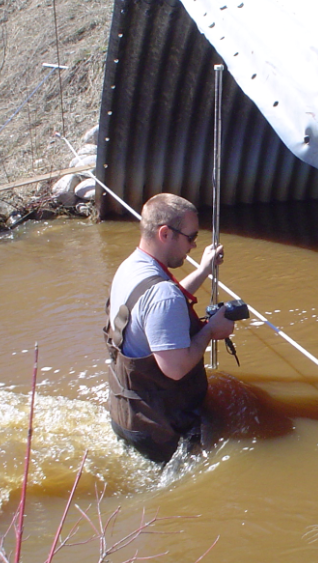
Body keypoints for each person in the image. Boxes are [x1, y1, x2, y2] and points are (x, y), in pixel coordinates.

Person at [104, 193, 235, 463]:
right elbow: (175, 369)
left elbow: (159, 309)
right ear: (165, 233)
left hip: (125, 412)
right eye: (190, 237)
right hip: (158, 433)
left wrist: (204, 270)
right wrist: (211, 330)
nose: (194, 246)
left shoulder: (132, 267)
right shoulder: (163, 295)